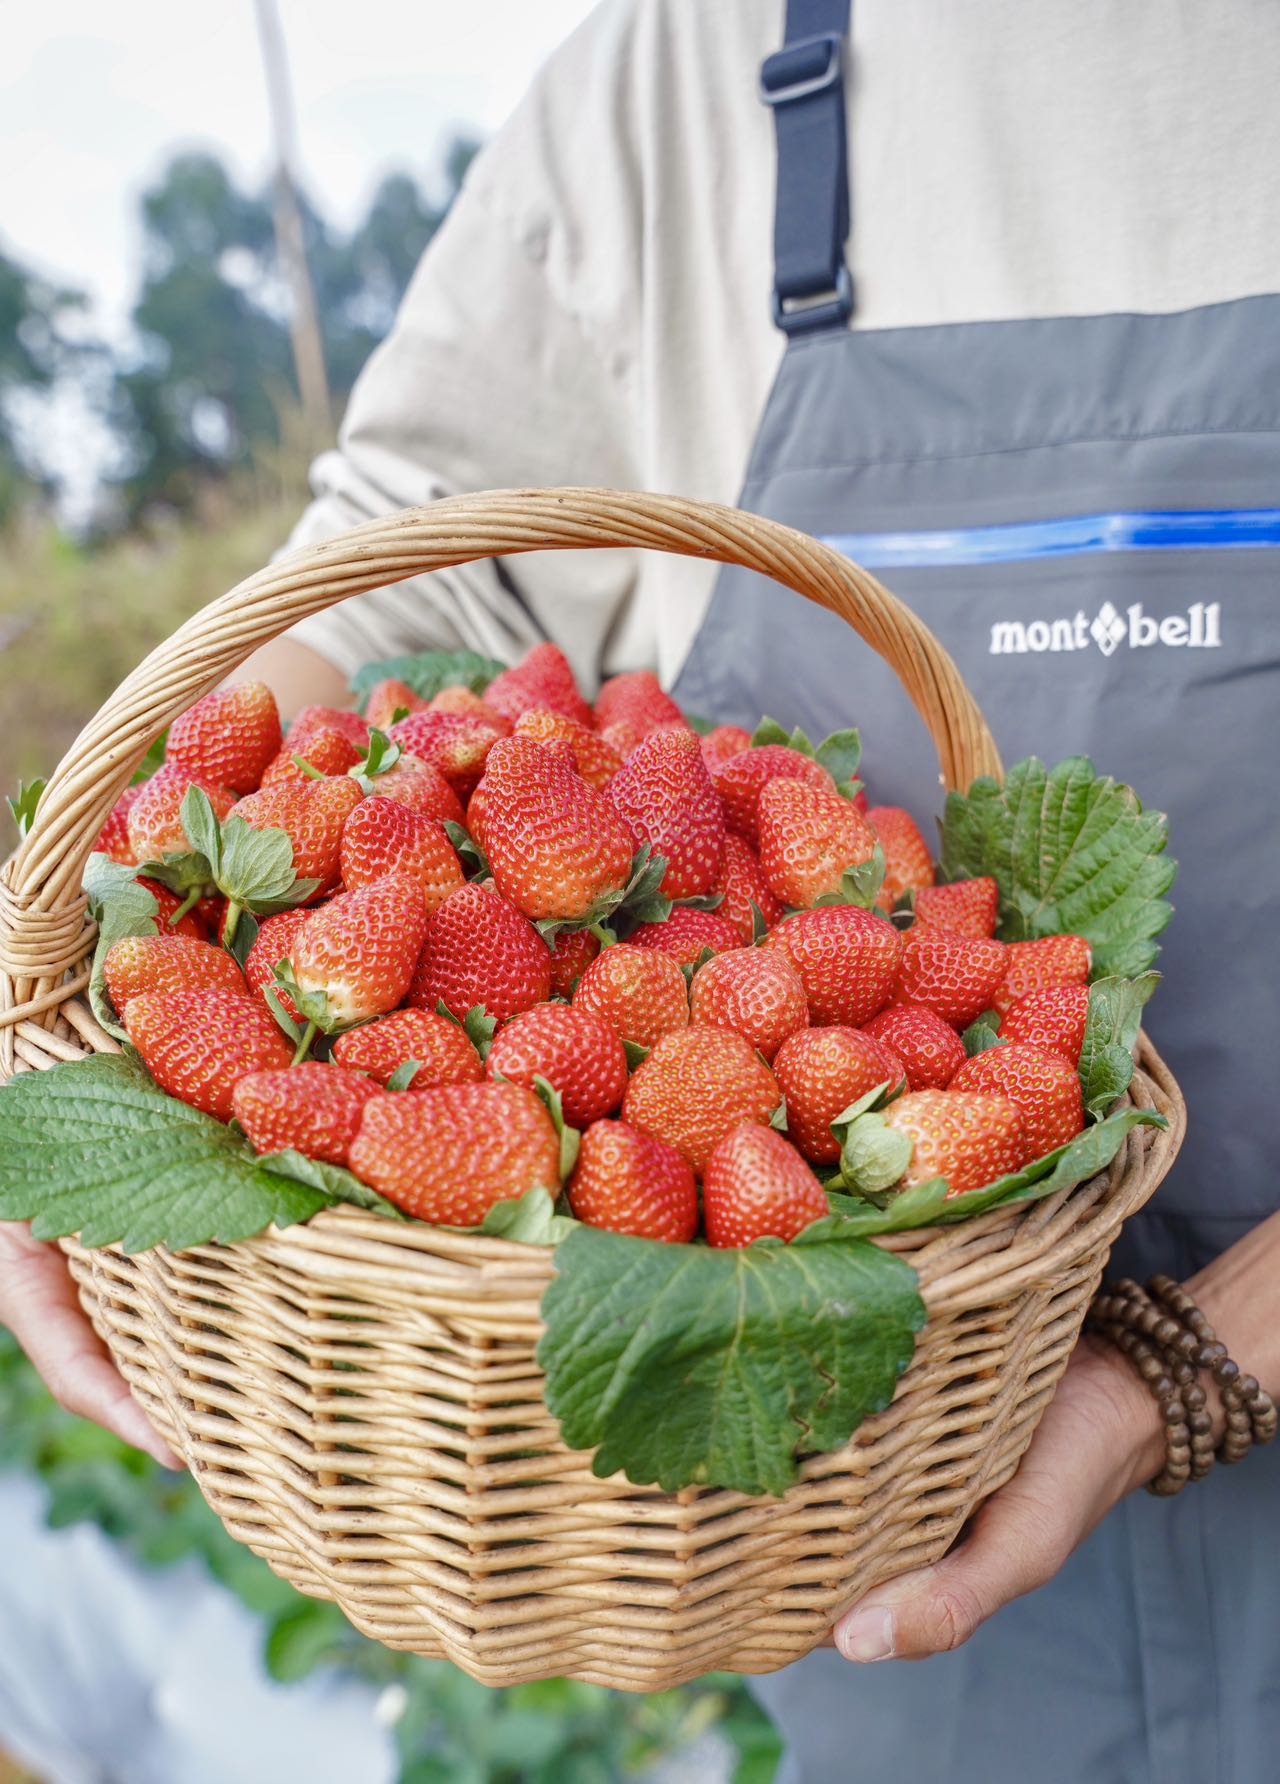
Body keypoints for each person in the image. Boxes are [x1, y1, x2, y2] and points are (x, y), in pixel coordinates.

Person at [4, 3, 1279, 1778]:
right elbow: (412, 570)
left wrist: (1189, 1363)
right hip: (874, 1479)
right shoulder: (691, 61)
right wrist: (79, 944)